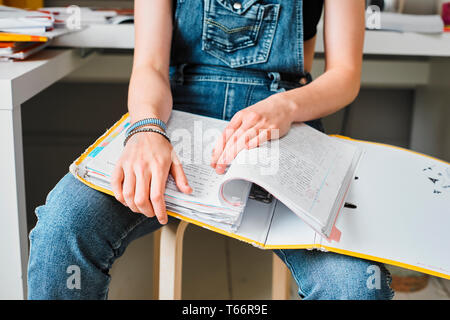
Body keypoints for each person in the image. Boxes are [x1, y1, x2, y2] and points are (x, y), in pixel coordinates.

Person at [27, 0, 394, 300]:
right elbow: (150, 66)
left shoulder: (286, 111)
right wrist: (147, 128)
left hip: (284, 121)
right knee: (62, 230)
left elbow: (345, 74)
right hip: (174, 111)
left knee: (354, 285)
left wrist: (286, 107)